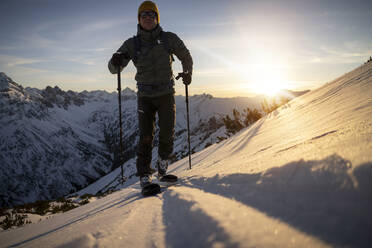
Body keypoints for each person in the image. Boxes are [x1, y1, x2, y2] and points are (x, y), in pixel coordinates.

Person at [108, 1, 193, 190]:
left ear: (157, 18)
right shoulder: (132, 43)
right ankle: (145, 175)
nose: (148, 17)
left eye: (151, 15)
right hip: (145, 96)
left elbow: (185, 55)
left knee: (167, 134)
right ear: (139, 19)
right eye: (144, 14)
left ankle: (162, 167)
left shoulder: (169, 39)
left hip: (166, 94)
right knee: (146, 135)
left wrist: (188, 72)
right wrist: (115, 62)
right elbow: (114, 68)